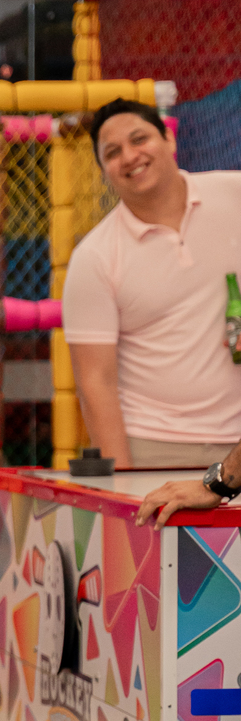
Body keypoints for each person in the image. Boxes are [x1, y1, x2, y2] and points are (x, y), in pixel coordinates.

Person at [63, 98, 241, 470]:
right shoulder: (93, 258)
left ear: (169, 139)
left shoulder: (234, 194)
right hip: (156, 447)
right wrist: (123, 482)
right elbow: (95, 384)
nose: (129, 156)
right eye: (112, 153)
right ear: (104, 172)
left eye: (139, 139)